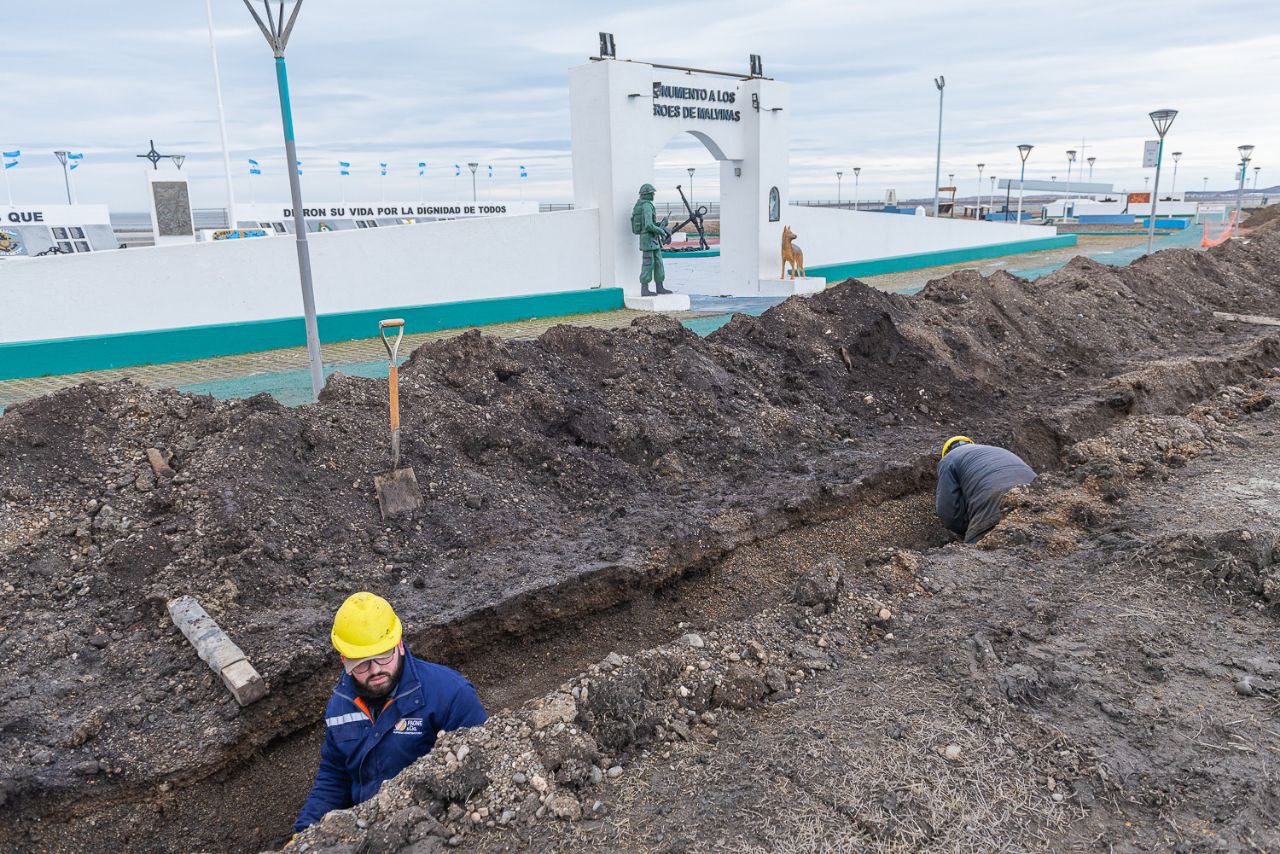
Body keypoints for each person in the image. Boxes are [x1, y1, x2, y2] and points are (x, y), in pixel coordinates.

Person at [294, 592, 487, 833]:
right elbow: (335, 774)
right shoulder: (340, 704)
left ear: (399, 646)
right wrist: (304, 834)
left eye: (383, 655)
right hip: (366, 831)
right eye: (361, 662)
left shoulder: (449, 694)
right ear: (344, 661)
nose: (375, 669)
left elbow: (479, 768)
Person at [934, 436, 1036, 543]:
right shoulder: (998, 451)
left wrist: (967, 530)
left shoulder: (948, 460)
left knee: (975, 555)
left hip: (994, 506)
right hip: (1036, 500)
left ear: (945, 454)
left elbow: (949, 514)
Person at [631, 183, 672, 297]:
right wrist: (661, 231)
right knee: (648, 263)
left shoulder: (644, 205)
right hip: (648, 239)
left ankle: (660, 287)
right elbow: (648, 226)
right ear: (647, 194)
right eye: (652, 193)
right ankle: (645, 289)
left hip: (652, 239)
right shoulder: (646, 206)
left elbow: (650, 224)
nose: (653, 195)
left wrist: (660, 225)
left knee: (658, 262)